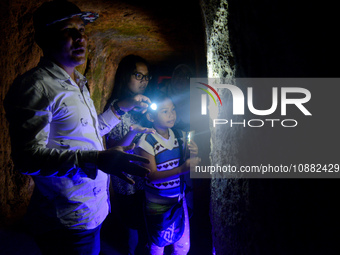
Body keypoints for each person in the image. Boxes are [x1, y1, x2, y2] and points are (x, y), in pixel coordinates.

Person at [3, 1, 151, 254]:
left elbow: (89, 134)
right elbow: (27, 159)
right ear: (44, 38)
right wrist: (96, 159)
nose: (79, 38)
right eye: (67, 31)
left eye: (81, 30)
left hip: (90, 210)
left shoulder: (78, 83)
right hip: (66, 220)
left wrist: (120, 109)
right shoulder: (35, 87)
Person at [135, 92, 200, 255]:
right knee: (158, 244)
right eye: (165, 111)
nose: (171, 114)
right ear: (150, 117)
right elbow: (151, 176)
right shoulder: (146, 140)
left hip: (178, 200)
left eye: (173, 110)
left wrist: (194, 153)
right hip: (157, 204)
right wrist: (181, 169)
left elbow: (185, 160)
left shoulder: (180, 135)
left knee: (182, 245)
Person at [103, 54, 155, 255]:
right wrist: (134, 130)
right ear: (126, 77)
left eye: (146, 77)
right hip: (127, 182)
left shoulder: (143, 106)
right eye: (138, 75)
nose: (143, 81)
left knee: (144, 230)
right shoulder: (118, 107)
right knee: (130, 233)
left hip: (144, 179)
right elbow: (115, 147)